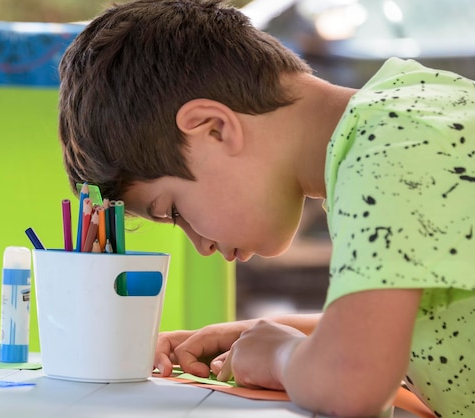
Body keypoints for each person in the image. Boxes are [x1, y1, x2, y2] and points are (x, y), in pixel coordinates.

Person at [57, 0, 475, 416]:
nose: (201, 246)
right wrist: (263, 336)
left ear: (215, 129)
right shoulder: (416, 105)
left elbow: (353, 384)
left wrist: (281, 356)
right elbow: (426, 314)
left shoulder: (388, 155)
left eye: (173, 212)